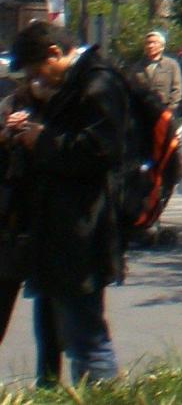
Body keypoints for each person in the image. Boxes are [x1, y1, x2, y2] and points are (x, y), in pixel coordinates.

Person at [4, 19, 128, 386]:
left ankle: (103, 393)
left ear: (55, 54)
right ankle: (51, 390)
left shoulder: (99, 82)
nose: (37, 78)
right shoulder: (75, 84)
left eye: (37, 69)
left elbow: (99, 151)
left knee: (86, 338)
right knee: (53, 331)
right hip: (55, 231)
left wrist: (41, 139)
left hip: (81, 230)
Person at [0, 71, 61, 381]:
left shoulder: (65, 108)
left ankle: (48, 387)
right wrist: (6, 133)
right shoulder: (11, 104)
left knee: (50, 322)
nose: (42, 82)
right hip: (11, 224)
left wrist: (43, 138)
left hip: (49, 225)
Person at [133, 30, 182, 114]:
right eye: (147, 43)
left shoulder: (171, 65)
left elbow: (177, 89)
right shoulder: (137, 67)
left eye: (154, 43)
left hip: (165, 111)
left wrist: (170, 109)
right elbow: (132, 89)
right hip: (142, 112)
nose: (150, 46)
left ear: (162, 46)